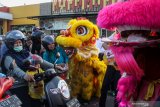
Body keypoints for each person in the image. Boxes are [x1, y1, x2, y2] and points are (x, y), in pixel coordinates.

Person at [1, 30, 54, 107]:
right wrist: (25, 76)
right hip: (18, 85)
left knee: (40, 102)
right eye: (16, 43)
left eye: (20, 42)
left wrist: (54, 66)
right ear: (10, 44)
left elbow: (38, 59)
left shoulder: (26, 53)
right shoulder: (8, 57)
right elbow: (16, 69)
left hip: (32, 83)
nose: (18, 44)